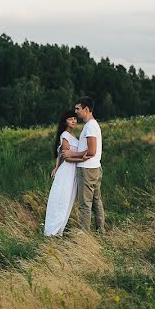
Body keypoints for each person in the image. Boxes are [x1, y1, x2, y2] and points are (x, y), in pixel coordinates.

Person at [68, 96, 105, 232]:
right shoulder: (93, 125)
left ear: (86, 109)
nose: (76, 111)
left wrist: (72, 155)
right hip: (95, 168)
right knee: (96, 200)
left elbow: (92, 151)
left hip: (87, 169)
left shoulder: (90, 126)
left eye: (78, 108)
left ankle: (84, 234)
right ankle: (100, 229)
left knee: (85, 204)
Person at [43, 110, 80, 237]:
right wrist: (83, 158)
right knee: (61, 200)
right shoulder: (65, 135)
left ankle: (59, 230)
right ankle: (53, 230)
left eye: (75, 118)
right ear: (65, 122)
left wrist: (56, 167)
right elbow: (66, 157)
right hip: (67, 171)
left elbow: (60, 156)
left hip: (71, 171)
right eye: (70, 119)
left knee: (67, 200)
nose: (73, 121)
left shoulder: (73, 136)